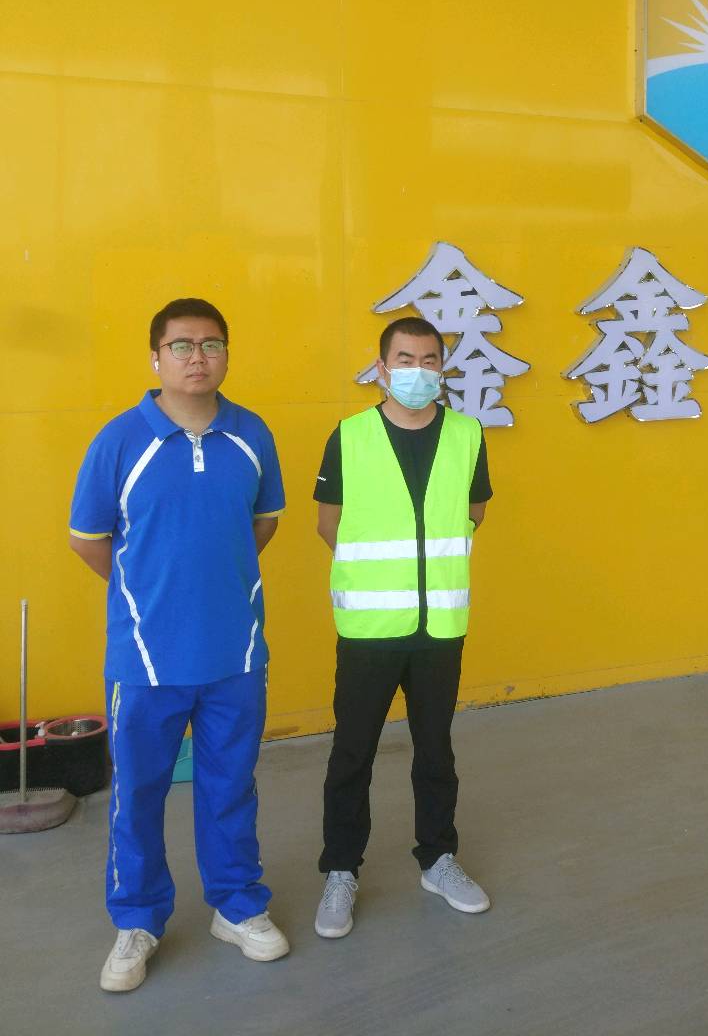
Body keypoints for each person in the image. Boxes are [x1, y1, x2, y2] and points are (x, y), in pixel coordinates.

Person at [69, 297, 290, 993]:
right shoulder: (119, 441)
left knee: (230, 787)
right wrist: (149, 593)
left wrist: (212, 586)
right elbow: (88, 539)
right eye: (183, 345)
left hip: (236, 655)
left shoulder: (251, 434)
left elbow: (264, 523)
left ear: (226, 354)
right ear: (155, 357)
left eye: (212, 344)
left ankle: (237, 905)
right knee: (137, 794)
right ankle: (137, 920)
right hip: (145, 660)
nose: (199, 357)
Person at [313, 316, 493, 938]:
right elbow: (328, 522)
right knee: (352, 752)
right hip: (370, 627)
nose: (418, 371)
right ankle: (341, 870)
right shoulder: (350, 435)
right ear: (382, 367)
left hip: (440, 625)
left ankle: (438, 858)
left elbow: (474, 510)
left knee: (436, 748)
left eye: (429, 360)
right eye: (405, 360)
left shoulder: (467, 434)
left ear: (442, 368)